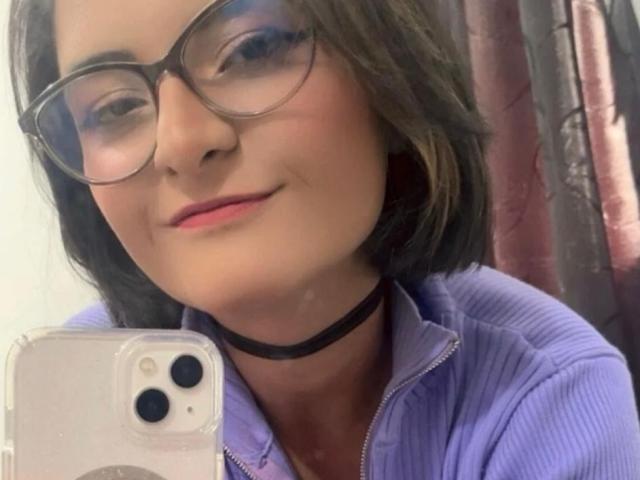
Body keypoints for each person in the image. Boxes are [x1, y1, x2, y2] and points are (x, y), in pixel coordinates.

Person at [9, 0, 640, 478]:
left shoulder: (546, 392)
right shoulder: (79, 394)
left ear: (389, 71)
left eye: (251, 51)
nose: (180, 143)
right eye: (113, 108)